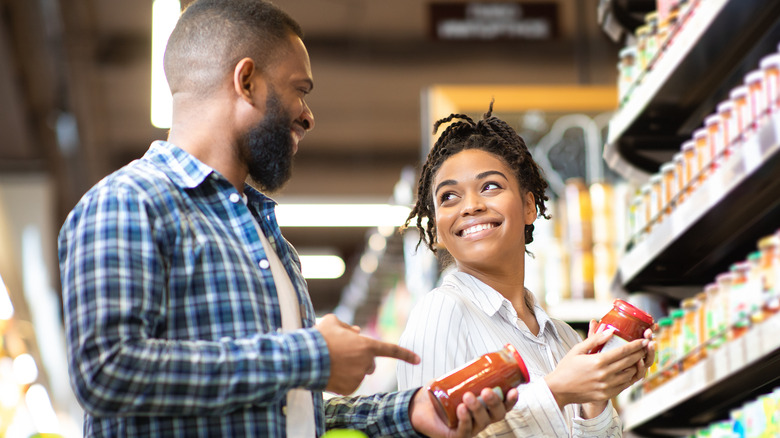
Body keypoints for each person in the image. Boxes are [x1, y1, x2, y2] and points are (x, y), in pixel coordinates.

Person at [57, 1, 519, 436]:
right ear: (246, 81)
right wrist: (310, 353)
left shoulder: (268, 239)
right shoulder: (128, 202)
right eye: (299, 90)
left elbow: (288, 409)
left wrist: (409, 412)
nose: (308, 116)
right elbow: (106, 371)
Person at [397, 103, 656, 437]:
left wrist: (595, 399)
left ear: (529, 206)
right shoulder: (440, 312)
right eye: (449, 196)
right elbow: (429, 432)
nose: (470, 205)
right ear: (437, 226)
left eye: (490, 186)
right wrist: (557, 390)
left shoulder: (563, 337)